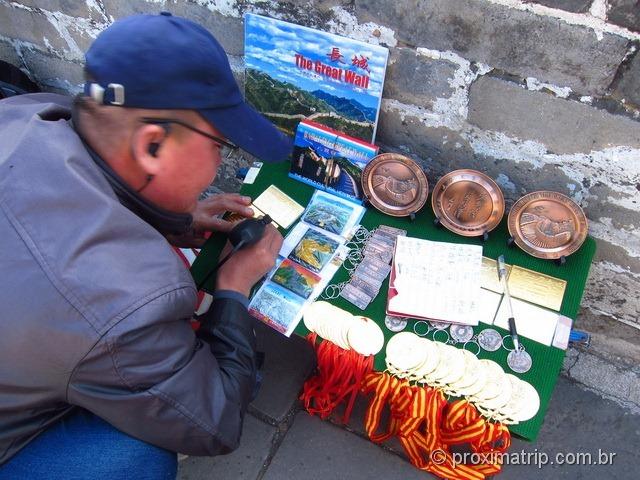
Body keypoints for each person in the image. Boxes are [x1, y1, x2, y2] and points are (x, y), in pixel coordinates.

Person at [0, 12, 291, 479]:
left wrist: (172, 217)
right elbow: (213, 422)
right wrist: (233, 289)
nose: (220, 159)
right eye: (219, 144)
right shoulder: (123, 303)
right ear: (152, 145)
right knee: (138, 458)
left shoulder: (26, 114)